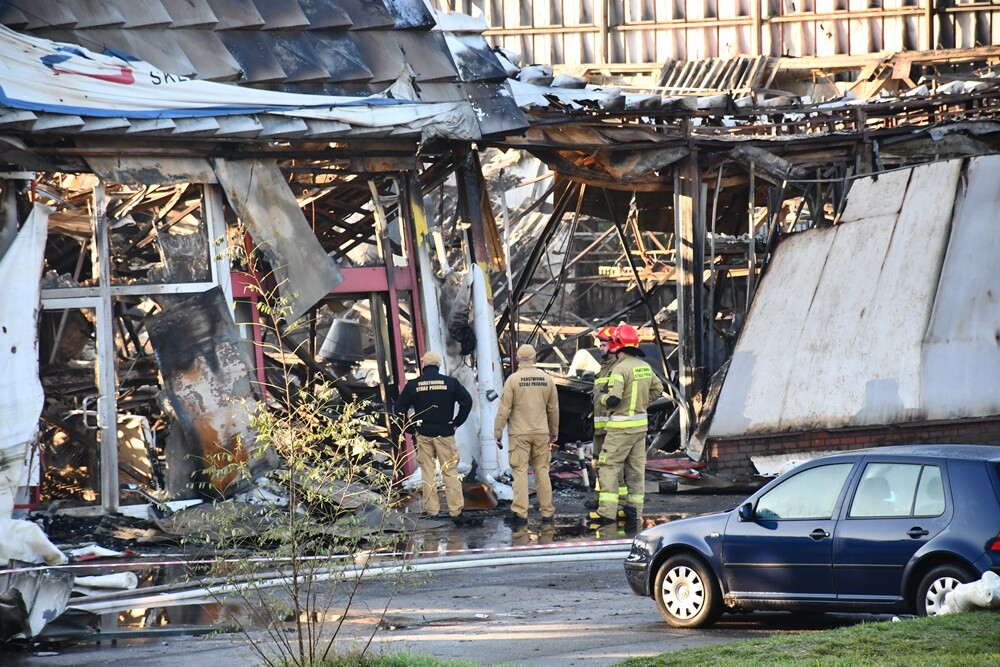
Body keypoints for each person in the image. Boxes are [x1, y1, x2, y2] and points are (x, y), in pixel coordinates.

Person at [587, 324, 663, 529]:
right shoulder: (644, 367)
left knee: (608, 466)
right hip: (640, 427)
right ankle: (633, 510)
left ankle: (606, 513)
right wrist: (642, 404)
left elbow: (613, 399)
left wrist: (600, 399)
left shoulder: (620, 368)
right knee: (636, 470)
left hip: (621, 427)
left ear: (617, 346)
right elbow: (659, 389)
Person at [394, 350, 473, 525]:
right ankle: (456, 512)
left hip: (423, 434)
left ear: (423, 365)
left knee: (428, 473)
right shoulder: (450, 383)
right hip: (445, 433)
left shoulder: (414, 384)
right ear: (438, 365)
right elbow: (467, 401)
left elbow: (398, 408)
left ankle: (432, 512)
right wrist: (457, 422)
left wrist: (410, 427)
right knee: (450, 473)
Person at [493, 344, 559, 527]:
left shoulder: (513, 380)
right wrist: (554, 432)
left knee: (520, 472)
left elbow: (504, 409)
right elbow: (553, 409)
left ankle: (520, 514)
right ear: (535, 359)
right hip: (541, 432)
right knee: (542, 471)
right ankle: (547, 512)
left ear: (518, 360)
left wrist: (497, 432)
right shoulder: (547, 380)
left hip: (519, 433)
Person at [585, 325, 626, 512]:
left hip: (612, 427)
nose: (600, 348)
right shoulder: (602, 369)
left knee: (614, 466)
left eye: (603, 345)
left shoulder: (617, 369)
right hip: (600, 427)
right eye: (600, 345)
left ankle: (620, 503)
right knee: (597, 463)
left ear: (614, 346)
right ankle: (602, 498)